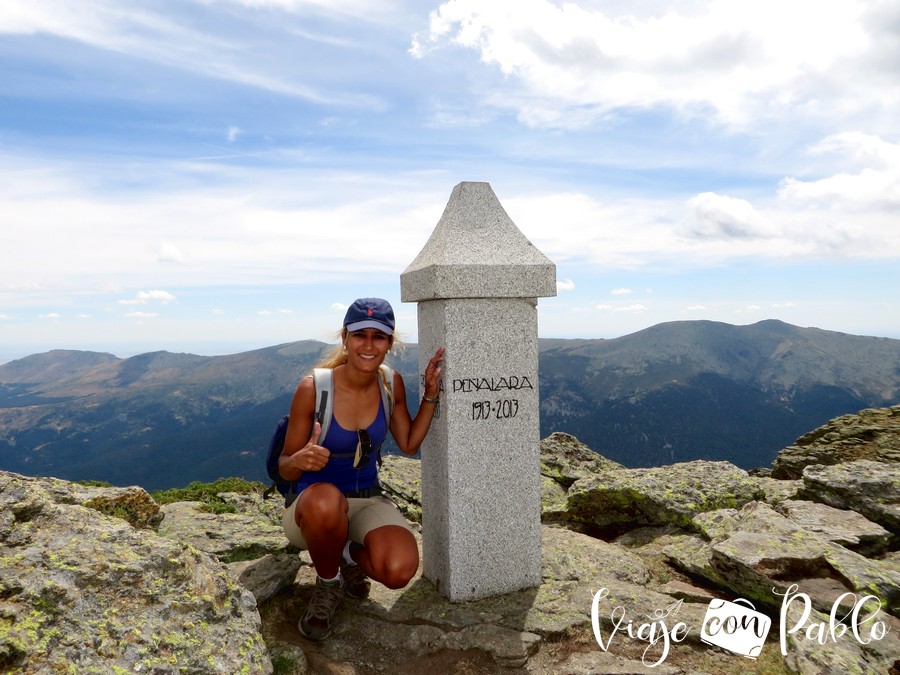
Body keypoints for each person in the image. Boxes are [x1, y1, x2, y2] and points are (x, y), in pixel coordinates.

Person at [278, 297, 444, 641]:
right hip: (312, 510)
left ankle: (345, 553)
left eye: (379, 337)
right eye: (360, 335)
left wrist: (431, 394)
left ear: (389, 343)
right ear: (345, 338)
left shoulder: (390, 384)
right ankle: (327, 583)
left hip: (367, 500)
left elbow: (410, 444)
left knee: (399, 569)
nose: (368, 345)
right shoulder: (314, 388)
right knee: (325, 499)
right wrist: (298, 461)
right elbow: (284, 469)